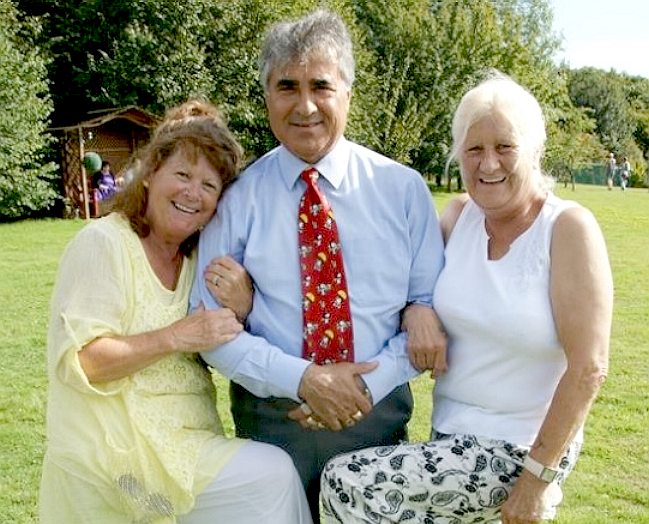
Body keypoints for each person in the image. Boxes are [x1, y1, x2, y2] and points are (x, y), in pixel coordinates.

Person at [320, 73, 613, 523]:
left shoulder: (567, 229)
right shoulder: (459, 216)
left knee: (348, 482)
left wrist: (536, 481)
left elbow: (589, 368)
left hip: (519, 448)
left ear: (534, 150)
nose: (488, 163)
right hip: (450, 435)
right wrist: (418, 309)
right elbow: (410, 290)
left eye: (505, 147)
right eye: (474, 149)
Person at [191, 9, 445, 521]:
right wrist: (305, 380)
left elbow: (429, 309)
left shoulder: (403, 190)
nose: (305, 105)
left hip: (376, 421)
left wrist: (359, 389)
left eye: (321, 85)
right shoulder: (237, 199)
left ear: (348, 92)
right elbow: (211, 331)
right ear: (266, 96)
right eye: (287, 86)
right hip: (275, 424)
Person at [39, 100, 312, 524]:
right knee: (271, 476)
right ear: (150, 175)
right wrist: (175, 336)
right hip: (117, 452)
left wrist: (243, 309)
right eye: (182, 175)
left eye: (209, 185)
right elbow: (85, 361)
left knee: (270, 481)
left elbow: (223, 339)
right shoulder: (104, 244)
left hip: (185, 442)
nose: (193, 193)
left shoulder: (198, 260)